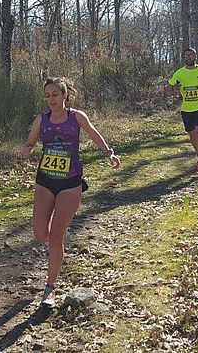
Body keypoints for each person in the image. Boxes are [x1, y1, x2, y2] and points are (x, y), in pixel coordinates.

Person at [21, 77, 120, 307]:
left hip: (71, 183)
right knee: (39, 234)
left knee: (56, 237)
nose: (51, 99)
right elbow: (31, 142)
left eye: (55, 94)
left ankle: (49, 289)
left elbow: (94, 134)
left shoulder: (77, 117)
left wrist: (109, 154)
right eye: (47, 95)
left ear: (65, 95)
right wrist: (26, 150)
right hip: (45, 181)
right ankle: (55, 257)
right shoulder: (41, 119)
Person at [167, 48, 198, 175]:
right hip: (187, 109)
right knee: (193, 137)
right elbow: (170, 87)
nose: (188, 57)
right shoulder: (179, 73)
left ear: (195, 56)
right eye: (186, 55)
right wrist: (174, 89)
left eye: (190, 55)